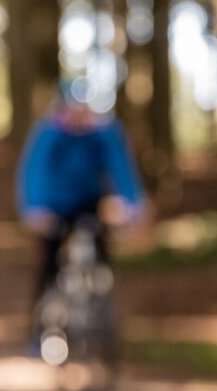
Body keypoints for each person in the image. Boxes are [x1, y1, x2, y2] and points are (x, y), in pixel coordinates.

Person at [16, 83, 146, 350]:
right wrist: (34, 208)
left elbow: (120, 166)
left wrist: (132, 205)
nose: (80, 115)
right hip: (53, 204)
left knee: (100, 253)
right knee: (49, 263)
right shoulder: (49, 131)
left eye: (84, 109)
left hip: (89, 201)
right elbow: (34, 171)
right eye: (74, 109)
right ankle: (39, 329)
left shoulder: (104, 132)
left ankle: (103, 318)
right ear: (63, 107)